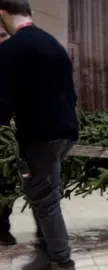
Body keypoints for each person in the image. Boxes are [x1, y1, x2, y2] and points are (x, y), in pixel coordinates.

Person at [0, 0, 79, 269]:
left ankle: (61, 262)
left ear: (3, 14)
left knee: (45, 200)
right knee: (42, 194)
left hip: (40, 135)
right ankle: (46, 251)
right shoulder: (52, 43)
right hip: (65, 132)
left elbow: (3, 99)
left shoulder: (13, 48)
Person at [0, 24, 17, 247]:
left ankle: (2, 228)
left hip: (4, 133)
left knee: (6, 182)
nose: (3, 39)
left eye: (4, 35)